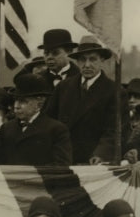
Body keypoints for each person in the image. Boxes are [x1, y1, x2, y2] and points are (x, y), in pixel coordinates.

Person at [44, 36, 122, 165]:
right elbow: (49, 121)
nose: (87, 65)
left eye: (92, 59)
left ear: (102, 60)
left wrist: (100, 154)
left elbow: (113, 130)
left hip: (92, 161)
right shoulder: (63, 87)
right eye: (82, 60)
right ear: (76, 62)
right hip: (63, 158)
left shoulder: (114, 91)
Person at [0, 74, 72, 167]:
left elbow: (61, 164)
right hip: (10, 180)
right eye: (15, 100)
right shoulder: (6, 128)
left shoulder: (56, 129)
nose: (17, 106)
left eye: (23, 101)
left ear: (39, 104)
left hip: (40, 180)